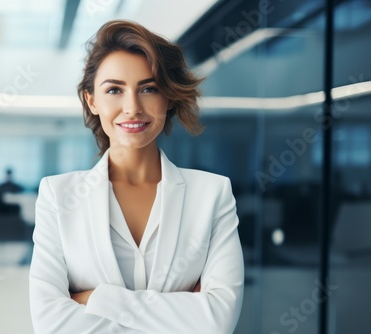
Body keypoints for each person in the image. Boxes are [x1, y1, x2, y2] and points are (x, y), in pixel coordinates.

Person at [29, 20, 244, 334]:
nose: (132, 107)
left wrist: (96, 299)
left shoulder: (213, 193)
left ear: (168, 97)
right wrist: (179, 314)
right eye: (114, 89)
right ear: (92, 100)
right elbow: (51, 323)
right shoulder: (57, 195)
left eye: (149, 88)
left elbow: (217, 321)